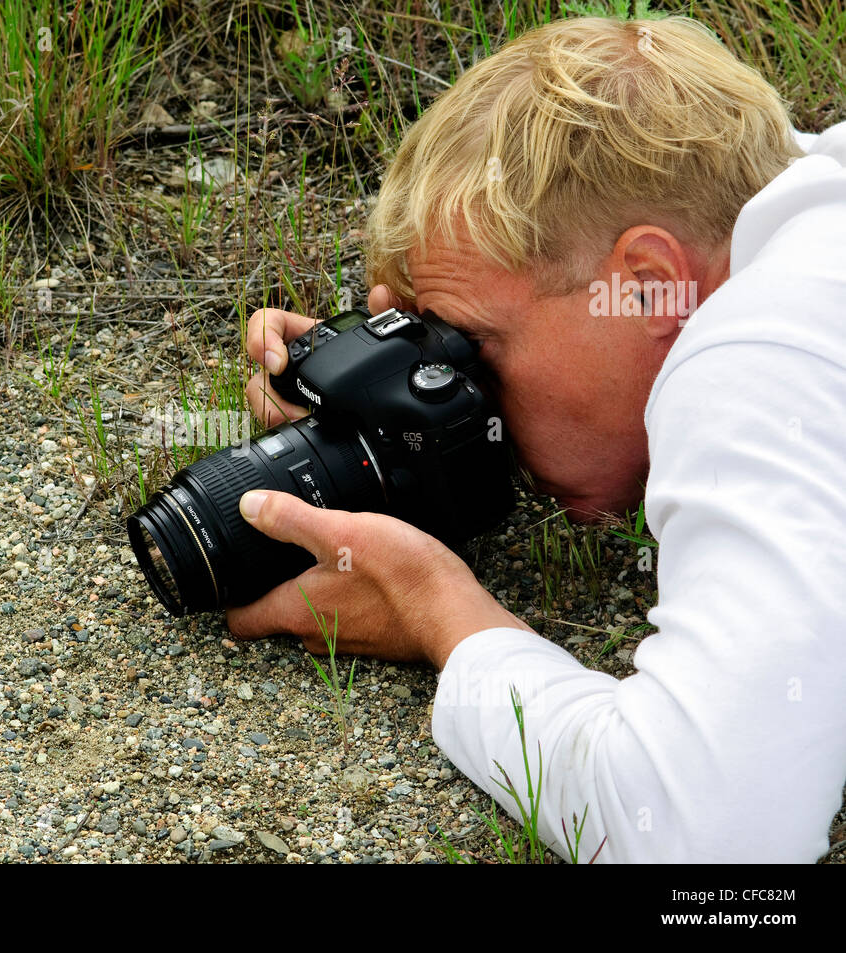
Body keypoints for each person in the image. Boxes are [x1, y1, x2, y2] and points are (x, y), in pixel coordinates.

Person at [230, 15, 846, 862]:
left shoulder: (755, 353)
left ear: (648, 288)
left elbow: (707, 841)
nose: (467, 385)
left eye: (474, 347)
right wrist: (386, 394)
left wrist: (441, 613)